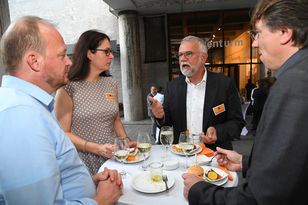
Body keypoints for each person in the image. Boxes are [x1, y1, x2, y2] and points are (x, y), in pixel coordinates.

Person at [182, 0, 308, 204]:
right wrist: (247, 163)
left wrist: (199, 191)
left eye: (258, 33)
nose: (255, 42)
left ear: (285, 32)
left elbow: (263, 196)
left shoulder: (295, 84)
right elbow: (292, 167)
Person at [0, 16, 122, 205]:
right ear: (34, 61)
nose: (69, 62)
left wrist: (90, 182)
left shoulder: (30, 106)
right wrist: (101, 201)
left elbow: (51, 179)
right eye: (61, 55)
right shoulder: (21, 114)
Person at [54, 30, 135, 175]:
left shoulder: (110, 83)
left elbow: (116, 120)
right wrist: (96, 148)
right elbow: (62, 133)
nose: (111, 56)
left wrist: (126, 143)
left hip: (112, 157)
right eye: (106, 52)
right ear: (89, 54)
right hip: (84, 162)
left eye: (111, 52)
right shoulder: (68, 88)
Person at [149, 35, 245, 149]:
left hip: (214, 155)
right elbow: (167, 123)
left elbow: (237, 123)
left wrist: (217, 131)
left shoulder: (224, 84)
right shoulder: (172, 86)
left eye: (188, 54)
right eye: (180, 54)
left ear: (203, 57)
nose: (182, 59)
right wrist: (161, 117)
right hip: (181, 153)